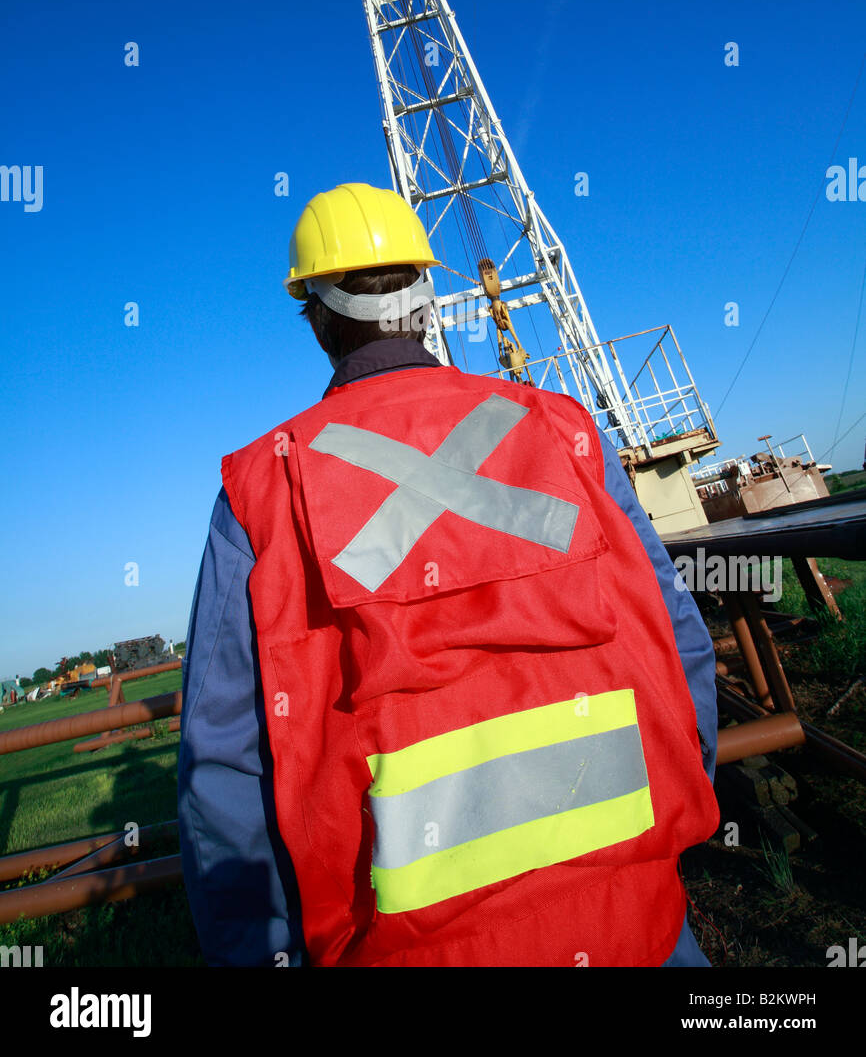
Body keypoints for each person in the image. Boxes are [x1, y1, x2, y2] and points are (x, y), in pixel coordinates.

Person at [178, 182, 719, 968]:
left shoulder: (262, 494)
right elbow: (680, 650)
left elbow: (224, 775)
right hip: (636, 925)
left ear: (317, 319)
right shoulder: (567, 435)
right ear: (429, 296)